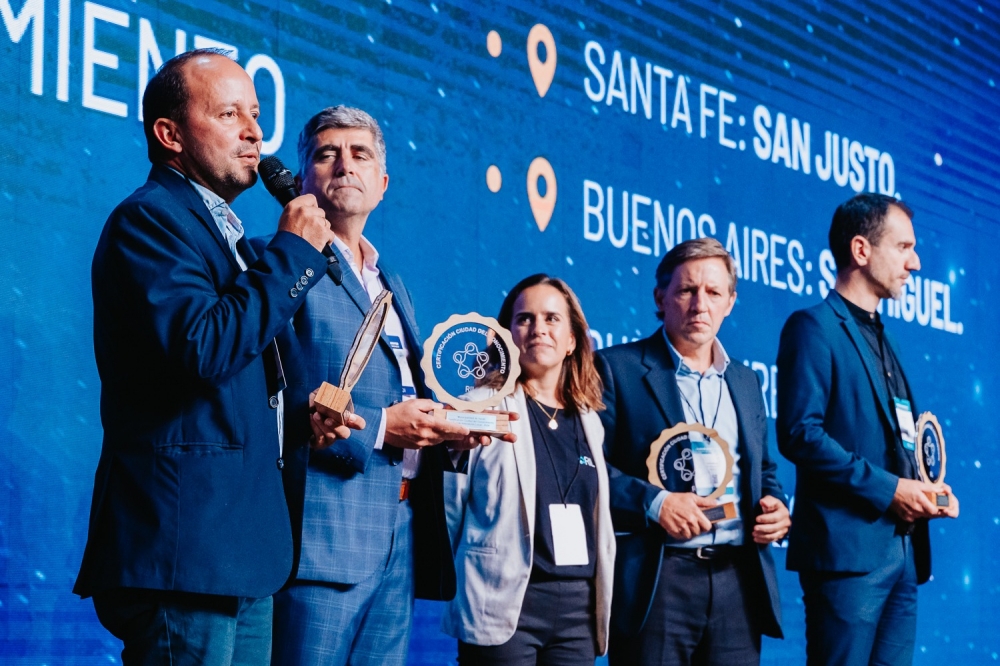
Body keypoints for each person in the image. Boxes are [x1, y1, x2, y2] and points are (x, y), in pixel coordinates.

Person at [74, 49, 355, 665]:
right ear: (169, 134)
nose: (255, 131)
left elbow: (233, 373)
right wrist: (291, 254)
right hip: (187, 550)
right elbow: (204, 346)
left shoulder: (220, 232)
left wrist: (297, 416)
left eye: (255, 113)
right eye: (229, 114)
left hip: (240, 552)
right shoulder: (150, 220)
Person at [268, 106, 496, 666]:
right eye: (327, 154)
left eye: (360, 154)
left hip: (400, 534)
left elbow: (401, 393)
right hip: (323, 537)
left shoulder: (392, 282)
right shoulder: (274, 262)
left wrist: (449, 432)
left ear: (383, 184)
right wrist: (381, 430)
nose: (344, 165)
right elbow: (272, 393)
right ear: (303, 181)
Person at [776, 193, 960, 666]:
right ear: (861, 251)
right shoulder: (813, 327)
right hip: (848, 555)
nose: (915, 263)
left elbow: (896, 440)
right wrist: (890, 489)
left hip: (901, 551)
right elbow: (800, 433)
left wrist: (925, 491)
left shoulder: (885, 337)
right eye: (903, 247)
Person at [596, 237, 789, 666]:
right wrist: (655, 503)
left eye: (714, 292)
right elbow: (584, 469)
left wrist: (775, 505)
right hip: (659, 577)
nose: (700, 304)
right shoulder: (617, 368)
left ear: (731, 302)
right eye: (687, 290)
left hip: (738, 579)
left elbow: (764, 470)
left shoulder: (747, 381)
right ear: (661, 298)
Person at [441, 274, 615, 665]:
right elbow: (451, 507)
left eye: (552, 319)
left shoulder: (591, 419)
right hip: (502, 600)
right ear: (507, 335)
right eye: (525, 319)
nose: (538, 329)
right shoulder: (480, 406)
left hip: (578, 611)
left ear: (572, 340)